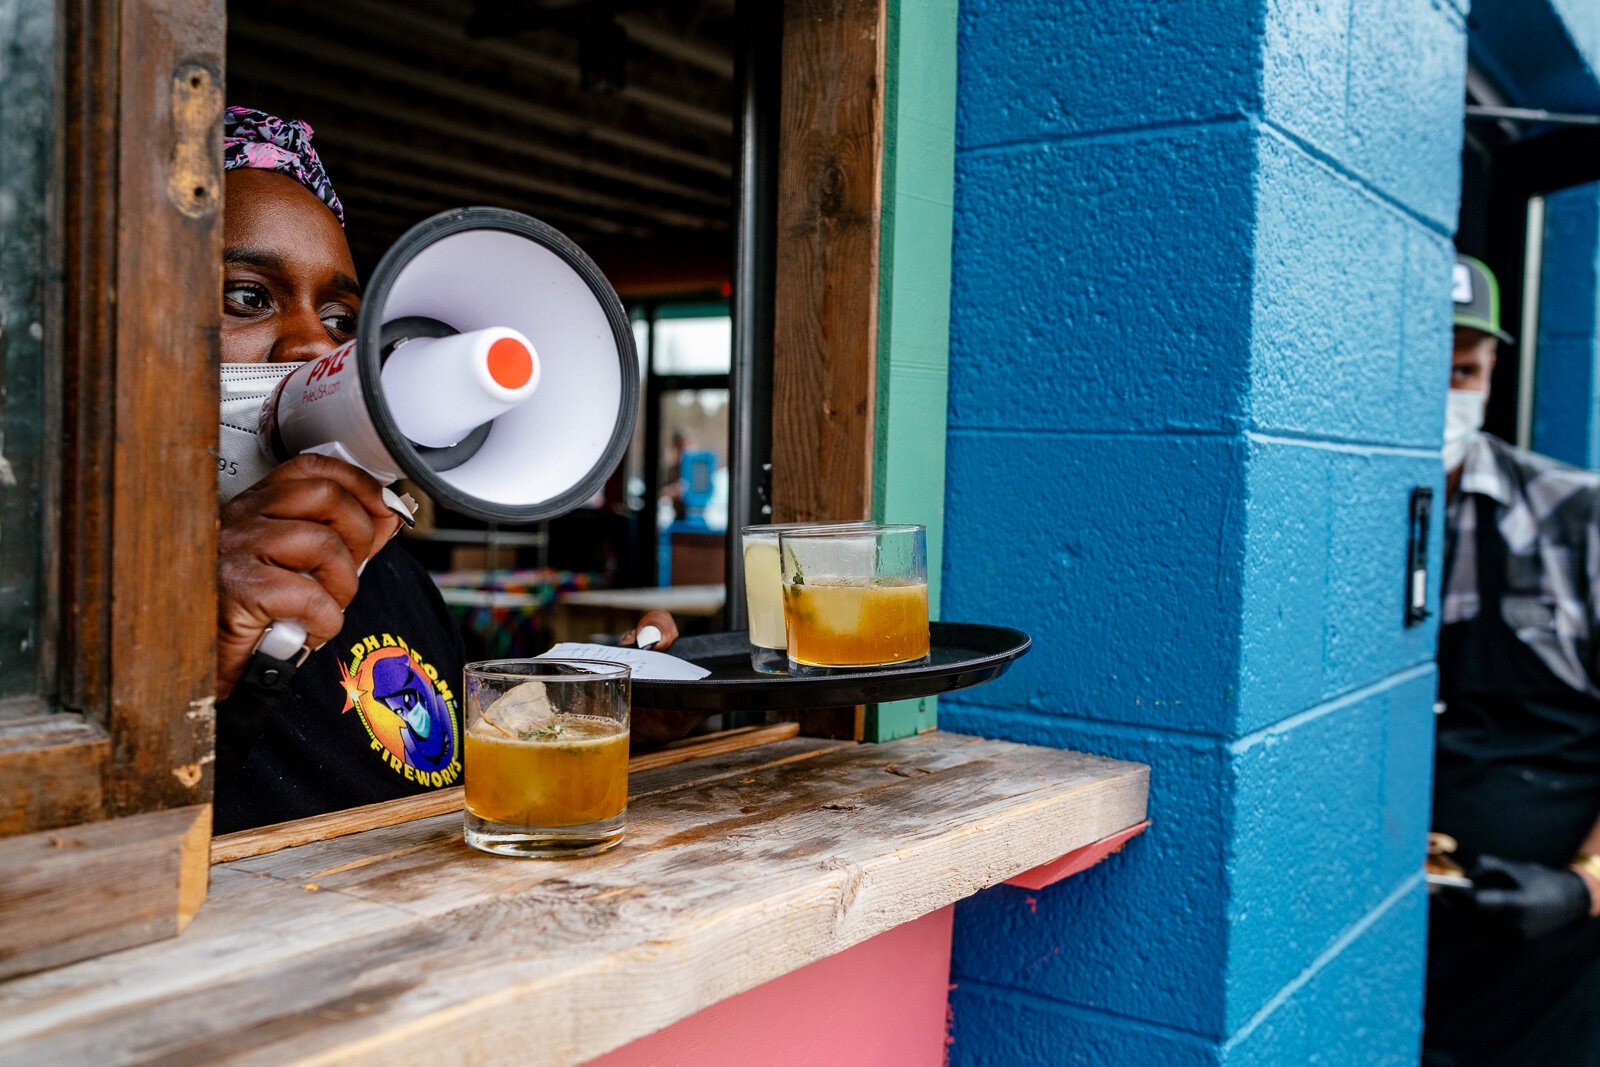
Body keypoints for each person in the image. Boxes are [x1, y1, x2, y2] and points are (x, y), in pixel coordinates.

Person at [213, 107, 676, 832]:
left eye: (340, 319)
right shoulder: (61, 592)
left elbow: (426, 770)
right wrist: (187, 652)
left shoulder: (387, 568)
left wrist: (564, 722)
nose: (311, 346)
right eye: (248, 295)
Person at [1424, 254, 1600, 1064]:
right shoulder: (1345, 521)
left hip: (1554, 957)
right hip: (1412, 935)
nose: (1447, 391)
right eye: (1426, 364)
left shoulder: (1576, 516)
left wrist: (1582, 884)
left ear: (1494, 369)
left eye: (1465, 368)